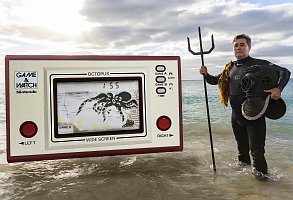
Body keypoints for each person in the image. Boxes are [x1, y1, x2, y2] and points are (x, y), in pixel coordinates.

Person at [199, 34, 291, 178]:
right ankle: (243, 186)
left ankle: (263, 186)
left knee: (257, 152)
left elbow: (284, 71)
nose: (238, 48)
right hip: (236, 117)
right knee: (242, 151)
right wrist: (205, 74)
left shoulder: (258, 64)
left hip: (255, 115)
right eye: (236, 45)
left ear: (249, 47)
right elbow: (214, 81)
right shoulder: (230, 68)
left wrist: (278, 88)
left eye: (242, 45)